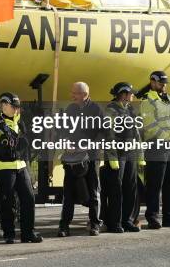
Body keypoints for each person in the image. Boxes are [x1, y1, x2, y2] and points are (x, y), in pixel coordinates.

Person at [0, 92, 42, 244]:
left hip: (20, 166)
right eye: (13, 107)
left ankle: (28, 233)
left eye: (17, 107)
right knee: (7, 202)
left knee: (28, 199)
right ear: (4, 106)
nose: (16, 110)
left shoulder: (19, 123)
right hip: (3, 168)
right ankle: (9, 234)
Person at [138, 71, 170, 229]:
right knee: (154, 185)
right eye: (160, 83)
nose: (164, 86)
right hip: (156, 146)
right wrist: (168, 138)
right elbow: (149, 125)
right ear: (152, 82)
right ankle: (152, 217)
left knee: (169, 185)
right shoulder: (148, 99)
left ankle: (169, 217)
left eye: (165, 83)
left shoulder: (167, 98)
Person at [58, 82, 106, 237]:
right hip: (72, 159)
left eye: (75, 93)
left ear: (84, 94)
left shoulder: (96, 109)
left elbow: (104, 132)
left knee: (93, 192)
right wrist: (65, 141)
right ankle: (64, 226)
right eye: (72, 92)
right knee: (68, 194)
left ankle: (95, 224)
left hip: (91, 158)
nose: (72, 96)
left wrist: (88, 146)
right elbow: (63, 129)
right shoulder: (70, 109)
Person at [100, 83, 145, 233]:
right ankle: (114, 222)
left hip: (130, 153)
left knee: (130, 188)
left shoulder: (130, 110)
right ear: (123, 94)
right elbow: (108, 135)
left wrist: (140, 155)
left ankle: (127, 220)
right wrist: (112, 157)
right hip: (117, 156)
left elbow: (136, 134)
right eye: (130, 93)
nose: (132, 95)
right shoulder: (111, 110)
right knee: (116, 190)